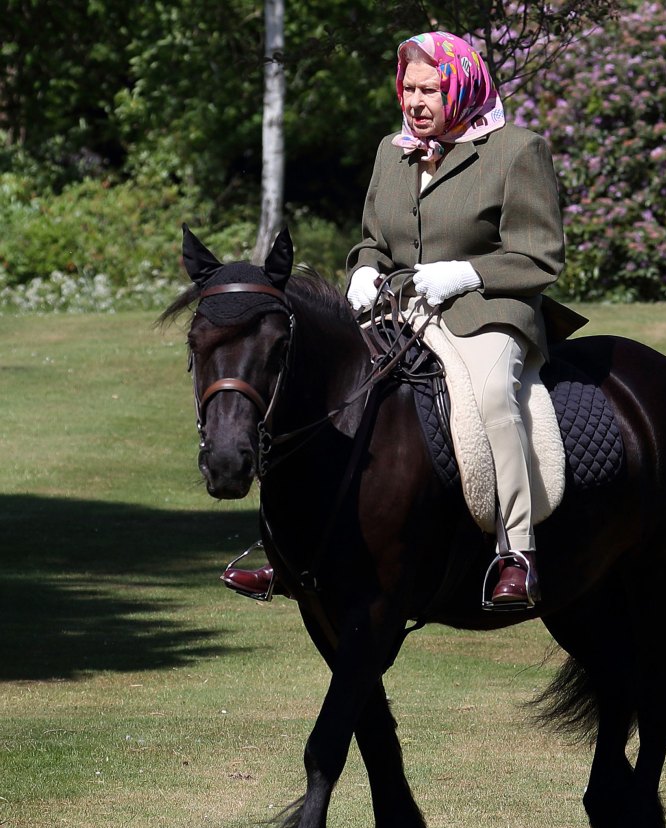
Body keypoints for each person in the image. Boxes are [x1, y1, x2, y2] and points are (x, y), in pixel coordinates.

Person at [224, 30, 575, 607]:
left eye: (430, 90)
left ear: (461, 85)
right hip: (399, 311)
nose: (415, 102)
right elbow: (371, 242)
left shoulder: (517, 150)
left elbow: (540, 256)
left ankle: (517, 552)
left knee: (490, 396)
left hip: (486, 311)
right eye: (409, 89)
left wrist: (466, 273)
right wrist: (362, 269)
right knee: (313, 387)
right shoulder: (394, 151)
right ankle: (286, 551)